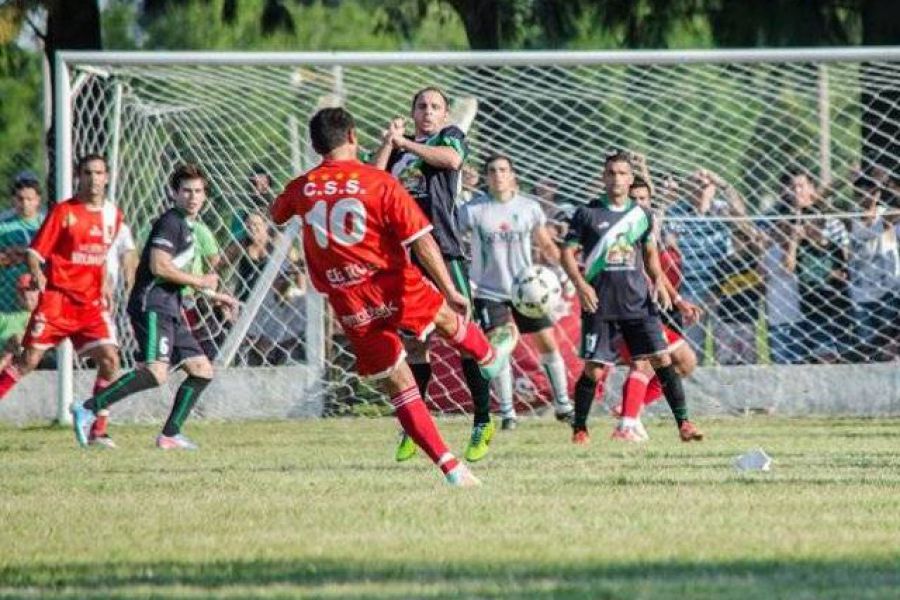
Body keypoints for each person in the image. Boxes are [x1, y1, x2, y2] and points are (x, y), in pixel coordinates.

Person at [271, 107, 515, 486]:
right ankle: (487, 355)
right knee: (448, 319)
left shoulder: (303, 186)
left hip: (347, 299)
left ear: (315, 144)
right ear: (352, 136)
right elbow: (420, 240)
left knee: (399, 385)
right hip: (391, 283)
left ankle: (451, 469)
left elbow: (277, 214)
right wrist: (450, 288)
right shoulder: (379, 182)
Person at [372, 87, 508, 463]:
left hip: (444, 252)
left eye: (435, 107)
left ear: (446, 115)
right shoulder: (399, 148)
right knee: (414, 343)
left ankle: (483, 420)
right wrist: (390, 142)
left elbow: (449, 160)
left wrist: (409, 145)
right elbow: (372, 179)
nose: (428, 111)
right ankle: (414, 426)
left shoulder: (451, 138)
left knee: (463, 335)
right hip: (403, 257)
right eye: (421, 106)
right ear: (412, 112)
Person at [70, 163, 239, 450]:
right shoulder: (170, 222)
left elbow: (178, 274)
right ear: (174, 193)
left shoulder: (188, 227)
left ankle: (170, 435)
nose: (193, 197)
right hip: (153, 304)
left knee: (201, 370)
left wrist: (213, 294)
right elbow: (159, 266)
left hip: (170, 306)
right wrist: (201, 280)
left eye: (198, 191)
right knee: (155, 372)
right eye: (186, 191)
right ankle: (88, 408)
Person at [560, 151, 704, 444]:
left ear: (630, 178)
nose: (617, 178)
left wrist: (662, 287)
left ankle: (684, 424)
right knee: (595, 369)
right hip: (600, 303)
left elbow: (650, 256)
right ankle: (580, 428)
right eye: (611, 173)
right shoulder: (587, 213)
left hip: (638, 303)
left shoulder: (642, 215)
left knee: (662, 359)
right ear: (603, 177)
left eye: (622, 173)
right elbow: (566, 253)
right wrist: (580, 284)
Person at [0, 155, 126, 444]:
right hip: (57, 299)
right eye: (88, 173)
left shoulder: (113, 215)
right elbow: (35, 253)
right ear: (79, 177)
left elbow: (102, 253)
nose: (93, 178)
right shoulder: (63, 212)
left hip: (91, 303)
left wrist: (106, 282)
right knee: (28, 360)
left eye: (99, 173)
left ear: (107, 176)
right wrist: (37, 273)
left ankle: (98, 431)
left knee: (110, 360)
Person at [457, 153, 574, 430]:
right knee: (499, 349)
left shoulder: (530, 208)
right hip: (488, 291)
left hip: (526, 289)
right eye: (493, 170)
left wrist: (566, 273)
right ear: (487, 177)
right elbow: (452, 243)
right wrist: (464, 277)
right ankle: (508, 413)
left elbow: (545, 244)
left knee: (547, 341)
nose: (498, 175)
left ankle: (563, 405)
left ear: (512, 175)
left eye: (503, 170)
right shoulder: (473, 210)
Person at [847, 175, 899, 361]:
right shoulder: (850, 217)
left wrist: (887, 186)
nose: (865, 198)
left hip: (888, 290)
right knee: (868, 347)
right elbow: (822, 206)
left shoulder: (886, 215)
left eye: (871, 192)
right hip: (861, 292)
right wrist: (841, 181)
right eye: (859, 193)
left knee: (889, 343)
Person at [0, 172, 45, 314]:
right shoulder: (4, 225)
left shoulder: (46, 223)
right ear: (13, 199)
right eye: (20, 199)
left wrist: (21, 252)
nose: (25, 204)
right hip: (9, 297)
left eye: (29, 199)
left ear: (38, 200)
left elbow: (50, 254)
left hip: (40, 293)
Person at [760, 219, 804, 364]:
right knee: (780, 362)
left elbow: (789, 267)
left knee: (798, 361)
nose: (783, 231)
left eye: (787, 228)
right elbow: (761, 275)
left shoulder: (799, 250)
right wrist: (763, 247)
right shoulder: (771, 251)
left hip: (796, 316)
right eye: (780, 227)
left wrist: (793, 243)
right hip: (776, 316)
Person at [0, 273, 40, 364]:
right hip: (9, 356)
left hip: (35, 357)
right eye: (23, 290)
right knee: (14, 341)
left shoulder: (47, 316)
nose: (26, 294)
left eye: (32, 290)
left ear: (40, 292)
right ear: (17, 294)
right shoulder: (6, 317)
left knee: (17, 339)